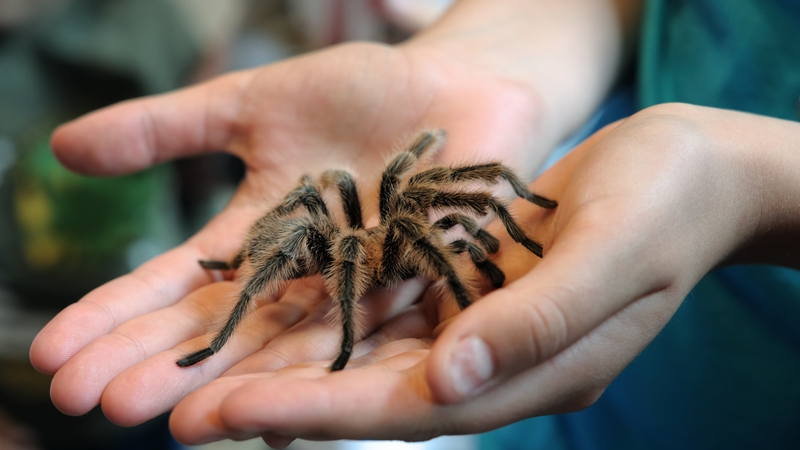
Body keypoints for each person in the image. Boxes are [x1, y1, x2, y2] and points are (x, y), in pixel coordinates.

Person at [28, 0, 800, 448]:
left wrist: (749, 191)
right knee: (336, 209)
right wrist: (496, 54)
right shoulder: (362, 234)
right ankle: (234, 297)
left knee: (411, 208)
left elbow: (479, 193)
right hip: (551, 407)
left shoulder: (416, 223)